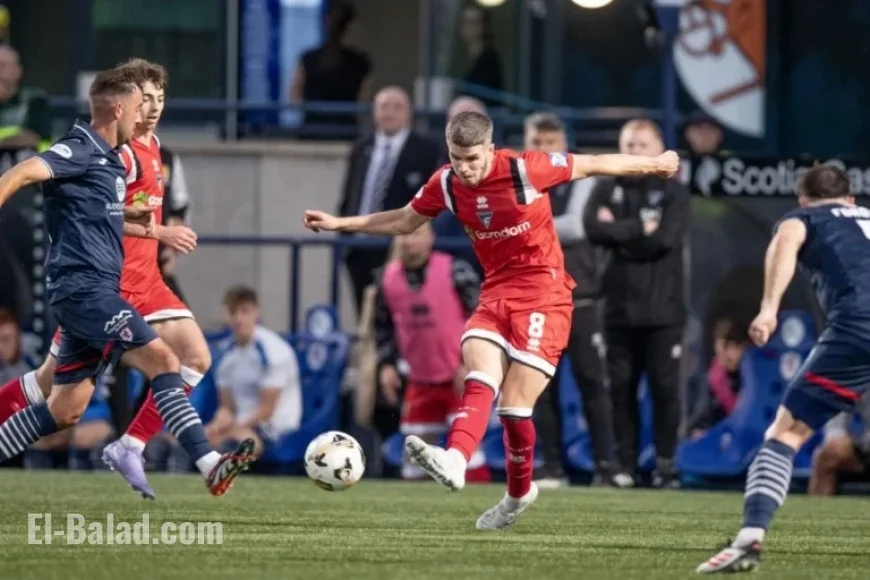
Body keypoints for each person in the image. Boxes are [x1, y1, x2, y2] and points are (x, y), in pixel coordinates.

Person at [303, 111, 679, 529]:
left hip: (545, 295)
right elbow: (405, 219)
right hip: (497, 291)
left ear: (491, 147)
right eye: (456, 157)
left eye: (472, 158)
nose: (464, 168)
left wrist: (657, 163)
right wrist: (342, 223)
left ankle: (518, 496)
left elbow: (593, 163)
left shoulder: (524, 169)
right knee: (478, 371)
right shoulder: (446, 182)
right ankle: (456, 458)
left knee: (515, 411)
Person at [0, 66, 254, 496]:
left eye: (155, 101)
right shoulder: (81, 146)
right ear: (120, 108)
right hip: (89, 292)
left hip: (101, 291)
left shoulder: (113, 158)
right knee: (167, 362)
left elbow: (108, 216)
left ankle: (135, 445)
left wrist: (148, 224)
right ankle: (209, 462)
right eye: (141, 104)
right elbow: (23, 173)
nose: (146, 113)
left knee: (64, 410)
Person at [696, 164, 870, 573]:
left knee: (786, 434)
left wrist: (768, 310)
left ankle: (750, 538)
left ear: (803, 199)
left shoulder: (803, 218)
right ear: (851, 200)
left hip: (858, 327)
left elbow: (785, 243)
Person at [583, 118, 691, 488]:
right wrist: (636, 229)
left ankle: (665, 465)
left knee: (664, 388)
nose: (633, 152)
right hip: (616, 309)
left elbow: (664, 240)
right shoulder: (604, 186)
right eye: (628, 144)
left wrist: (618, 233)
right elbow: (591, 228)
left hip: (664, 311)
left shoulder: (674, 192)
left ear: (658, 149)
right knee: (620, 388)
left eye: (642, 145)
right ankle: (625, 466)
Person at [523, 112, 617, 487]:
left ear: (563, 143)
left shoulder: (578, 176)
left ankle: (606, 468)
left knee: (593, 382)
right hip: (535, 299)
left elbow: (578, 225)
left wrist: (525, 224)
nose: (543, 148)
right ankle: (552, 466)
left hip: (581, 298)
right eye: (536, 141)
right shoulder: (517, 179)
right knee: (539, 387)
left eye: (550, 141)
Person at [372, 222, 484, 480]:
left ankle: (475, 508)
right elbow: (382, 326)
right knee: (415, 458)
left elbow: (481, 318)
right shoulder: (386, 279)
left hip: (459, 376)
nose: (410, 241)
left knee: (469, 456)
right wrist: (386, 364)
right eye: (404, 235)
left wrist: (469, 361)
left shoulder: (456, 271)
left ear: (431, 237)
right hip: (419, 378)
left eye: (416, 234)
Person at [337, 86, 441, 313]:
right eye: (384, 107)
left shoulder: (426, 150)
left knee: (395, 314)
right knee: (364, 313)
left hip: (399, 248)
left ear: (408, 113)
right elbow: (349, 194)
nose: (389, 113)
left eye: (397, 107)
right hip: (358, 247)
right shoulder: (362, 147)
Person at [205, 286, 301, 458]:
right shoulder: (224, 354)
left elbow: (266, 410)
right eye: (234, 312)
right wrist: (217, 424)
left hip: (275, 427)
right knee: (196, 441)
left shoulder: (274, 352)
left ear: (256, 313)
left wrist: (231, 429)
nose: (239, 318)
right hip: (241, 425)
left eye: (245, 311)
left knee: (231, 444)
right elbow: (227, 407)